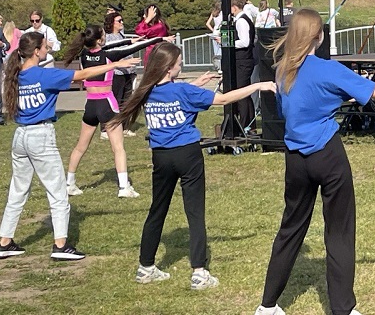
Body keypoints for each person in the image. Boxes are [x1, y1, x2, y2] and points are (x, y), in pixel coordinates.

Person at [254, 9, 375, 315]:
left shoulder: (281, 70)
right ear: (319, 36)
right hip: (327, 157)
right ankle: (343, 309)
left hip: (295, 160)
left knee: (290, 229)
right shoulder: (328, 69)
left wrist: (336, 97)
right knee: (339, 232)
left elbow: (291, 109)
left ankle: (267, 306)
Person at [108, 41, 276, 290]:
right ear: (169, 68)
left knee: (157, 211)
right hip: (187, 155)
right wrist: (258, 85)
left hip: (161, 157)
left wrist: (196, 84)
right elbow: (224, 99)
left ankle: (145, 267)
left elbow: (174, 95)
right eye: (178, 63)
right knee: (195, 213)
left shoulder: (146, 90)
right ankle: (199, 272)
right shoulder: (183, 91)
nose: (181, 65)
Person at [0, 32, 138, 261]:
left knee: (17, 191)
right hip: (40, 136)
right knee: (58, 192)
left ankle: (4, 242)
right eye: (45, 46)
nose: (48, 48)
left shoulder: (15, 74)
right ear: (36, 51)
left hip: (20, 137)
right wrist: (115, 64)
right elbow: (83, 74)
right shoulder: (45, 75)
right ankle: (60, 245)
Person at [63, 24, 170, 199]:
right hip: (107, 104)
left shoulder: (83, 55)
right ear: (99, 40)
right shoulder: (109, 56)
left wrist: (129, 40)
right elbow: (132, 49)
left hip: (90, 105)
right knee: (118, 148)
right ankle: (123, 187)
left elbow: (112, 46)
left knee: (80, 147)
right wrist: (160, 39)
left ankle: (69, 184)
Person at [104, 11, 139, 137]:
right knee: (115, 101)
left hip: (128, 72)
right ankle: (107, 128)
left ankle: (124, 127)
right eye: (119, 21)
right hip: (116, 73)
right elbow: (111, 56)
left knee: (126, 101)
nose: (122, 22)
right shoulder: (108, 38)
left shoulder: (121, 35)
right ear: (112, 23)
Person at [230, 0, 256, 131]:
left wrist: (229, 43)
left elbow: (245, 42)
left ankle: (244, 123)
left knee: (241, 93)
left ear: (234, 7)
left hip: (243, 60)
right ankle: (250, 124)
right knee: (245, 91)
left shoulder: (241, 21)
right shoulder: (243, 19)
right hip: (244, 60)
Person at [205, 1, 223, 71]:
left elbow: (207, 23)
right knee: (221, 51)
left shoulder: (213, 13)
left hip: (215, 32)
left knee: (216, 51)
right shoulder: (222, 13)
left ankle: (218, 68)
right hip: (220, 33)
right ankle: (221, 67)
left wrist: (213, 30)